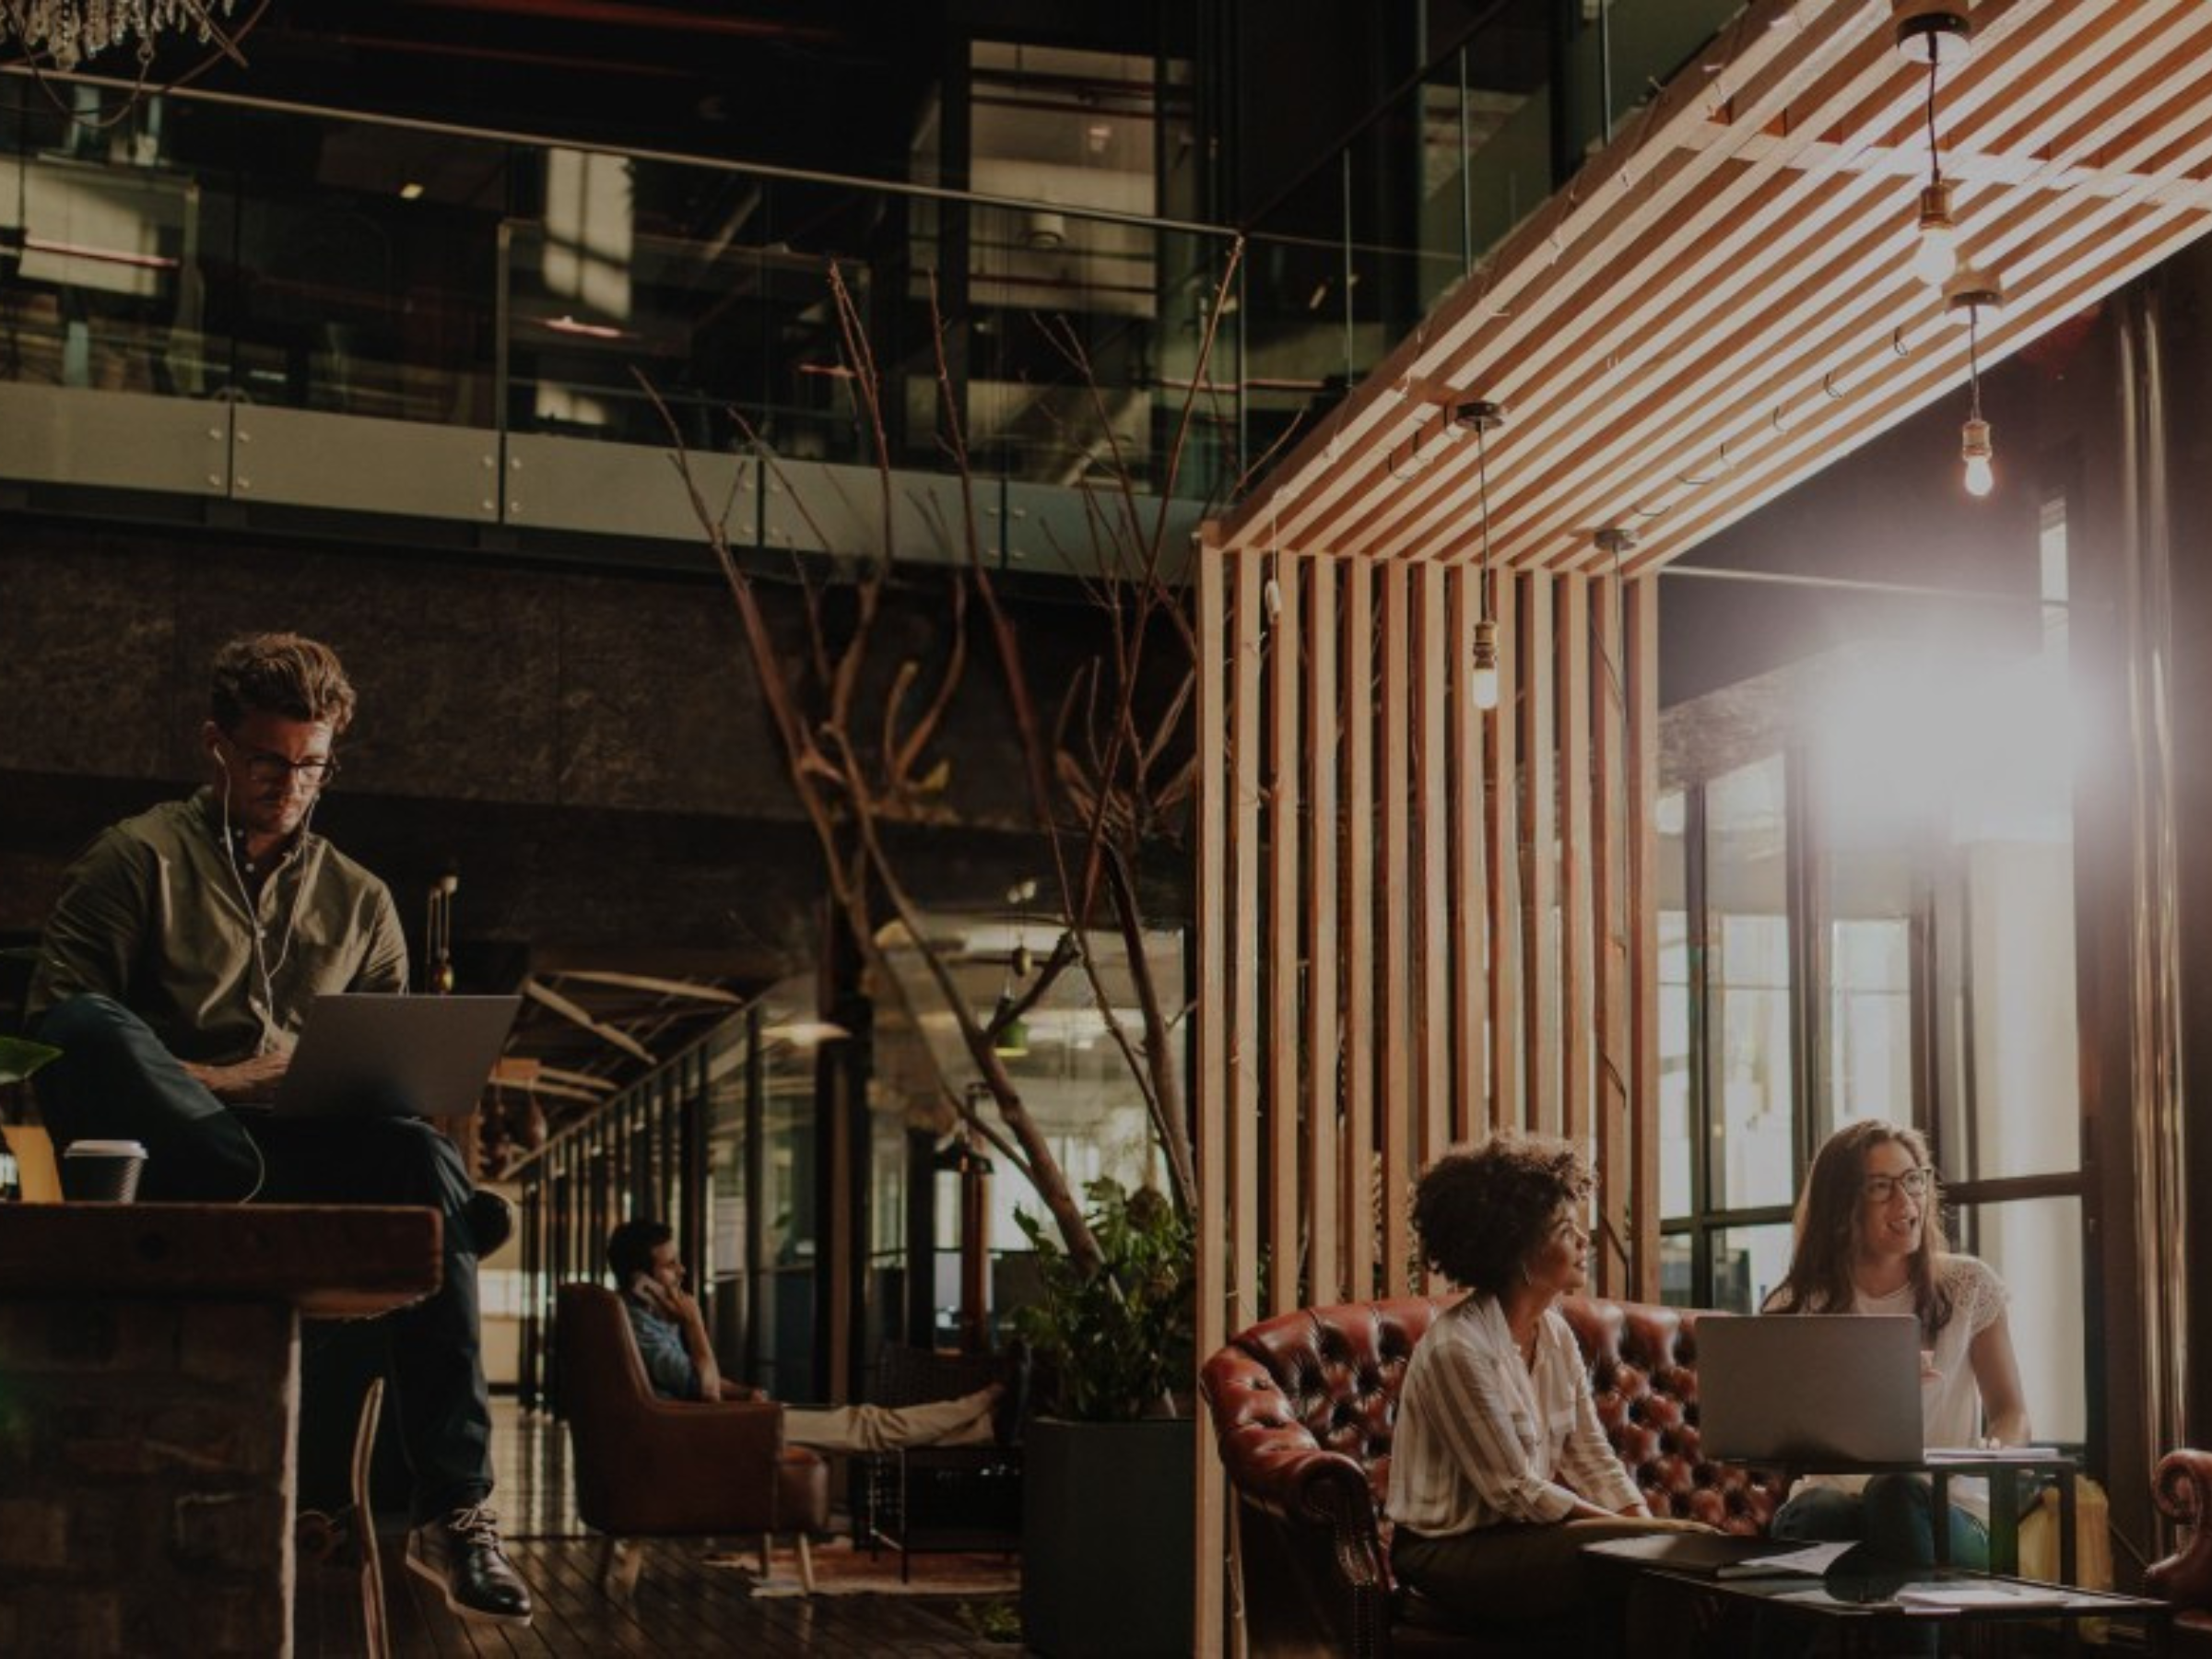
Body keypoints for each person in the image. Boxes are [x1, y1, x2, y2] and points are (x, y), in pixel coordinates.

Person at [26, 632, 533, 1628]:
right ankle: (427, 1221)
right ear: (216, 744)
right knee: (86, 1024)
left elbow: (383, 1079)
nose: (291, 786)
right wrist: (222, 1080)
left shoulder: (363, 901)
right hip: (177, 1148)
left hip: (301, 1145)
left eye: (313, 766)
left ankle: (458, 1511)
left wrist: (321, 1089)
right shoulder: (136, 858)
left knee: (421, 1152)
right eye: (269, 761)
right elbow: (58, 1044)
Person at [1386, 1134, 1707, 1652]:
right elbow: (1515, 1490)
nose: (1583, 1240)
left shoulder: (1555, 1333)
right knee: (1679, 1550)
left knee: (1676, 1555)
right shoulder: (1458, 1348)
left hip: (1523, 1541)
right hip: (1447, 1552)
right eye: (1564, 1230)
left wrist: (1645, 1526)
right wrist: (1647, 1539)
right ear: (1520, 1252)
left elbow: (1591, 1456)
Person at [1761, 1119, 2031, 1569]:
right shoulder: (1797, 1303)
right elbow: (1779, 1432)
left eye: (1913, 1180)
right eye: (1880, 1187)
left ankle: (1889, 1616)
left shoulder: (1969, 1285)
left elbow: (2012, 1411)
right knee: (1819, 1509)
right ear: (1841, 1204)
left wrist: (1998, 1450)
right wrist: (1870, 1388)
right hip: (1834, 1501)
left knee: (1895, 1491)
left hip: (1949, 1508)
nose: (1906, 1202)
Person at [607, 1219, 1012, 1453]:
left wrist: (745, 1393)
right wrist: (694, 1322)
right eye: (670, 1265)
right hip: (708, 1433)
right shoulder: (640, 1328)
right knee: (865, 1425)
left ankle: (982, 1428)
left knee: (865, 1424)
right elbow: (706, 1390)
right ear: (641, 1280)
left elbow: (699, 1381)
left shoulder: (646, 1320)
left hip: (717, 1424)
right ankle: (979, 1403)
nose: (681, 1271)